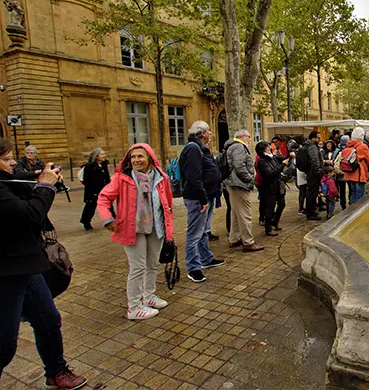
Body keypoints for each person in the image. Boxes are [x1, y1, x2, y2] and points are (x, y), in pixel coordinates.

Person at [0, 138, 88, 389]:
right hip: (6, 274)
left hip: (26, 268)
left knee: (48, 319)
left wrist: (41, 176)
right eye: (6, 159)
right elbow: (29, 215)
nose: (13, 162)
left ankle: (56, 371)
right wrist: (46, 187)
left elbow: (19, 184)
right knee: (4, 343)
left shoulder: (6, 180)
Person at [97, 144, 173, 320]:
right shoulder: (122, 178)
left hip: (156, 226)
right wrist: (108, 219)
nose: (137, 160)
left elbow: (167, 203)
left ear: (150, 158)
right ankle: (134, 307)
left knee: (152, 264)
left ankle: (149, 296)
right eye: (133, 157)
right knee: (138, 267)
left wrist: (169, 228)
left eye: (140, 156)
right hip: (132, 228)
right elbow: (103, 198)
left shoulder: (161, 177)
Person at [180, 121, 226, 283]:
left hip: (207, 195)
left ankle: (206, 258)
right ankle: (193, 267)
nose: (211, 134)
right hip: (198, 197)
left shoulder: (200, 147)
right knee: (194, 233)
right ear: (202, 133)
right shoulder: (193, 148)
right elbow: (193, 176)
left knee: (204, 230)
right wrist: (202, 198)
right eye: (209, 131)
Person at [223, 130, 265, 252]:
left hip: (233, 184)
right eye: (248, 136)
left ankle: (234, 239)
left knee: (236, 213)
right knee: (245, 214)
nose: (250, 139)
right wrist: (250, 179)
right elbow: (239, 166)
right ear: (242, 136)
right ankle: (248, 242)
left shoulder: (232, 146)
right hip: (239, 185)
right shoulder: (239, 147)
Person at [255, 141, 292, 235]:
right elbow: (270, 174)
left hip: (278, 185)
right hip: (269, 187)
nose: (270, 148)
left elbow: (284, 158)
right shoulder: (262, 160)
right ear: (263, 149)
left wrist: (290, 154)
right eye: (268, 147)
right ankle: (268, 228)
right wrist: (282, 164)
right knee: (270, 207)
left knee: (282, 204)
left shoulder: (272, 157)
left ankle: (275, 221)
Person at [80, 148, 111, 231]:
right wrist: (93, 191)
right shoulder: (89, 167)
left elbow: (107, 177)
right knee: (90, 207)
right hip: (93, 191)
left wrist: (109, 186)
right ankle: (86, 222)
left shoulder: (104, 165)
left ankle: (112, 219)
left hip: (104, 189)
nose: (104, 156)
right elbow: (87, 180)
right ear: (96, 156)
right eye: (102, 154)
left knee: (108, 205)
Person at [343, 127, 369, 204]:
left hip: (349, 173)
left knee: (352, 193)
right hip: (359, 174)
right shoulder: (363, 146)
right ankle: (358, 212)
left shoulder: (349, 145)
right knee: (360, 195)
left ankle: (351, 210)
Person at [303, 131, 324, 221]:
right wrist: (318, 171)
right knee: (312, 193)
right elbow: (315, 160)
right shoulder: (312, 146)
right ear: (313, 138)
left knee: (311, 193)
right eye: (318, 138)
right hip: (313, 173)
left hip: (311, 172)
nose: (319, 140)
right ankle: (311, 213)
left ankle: (311, 211)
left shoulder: (308, 145)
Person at [332, 135, 350, 210]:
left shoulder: (336, 150)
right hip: (348, 174)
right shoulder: (349, 150)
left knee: (342, 191)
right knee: (350, 190)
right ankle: (349, 204)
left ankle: (343, 206)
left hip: (339, 174)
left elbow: (333, 161)